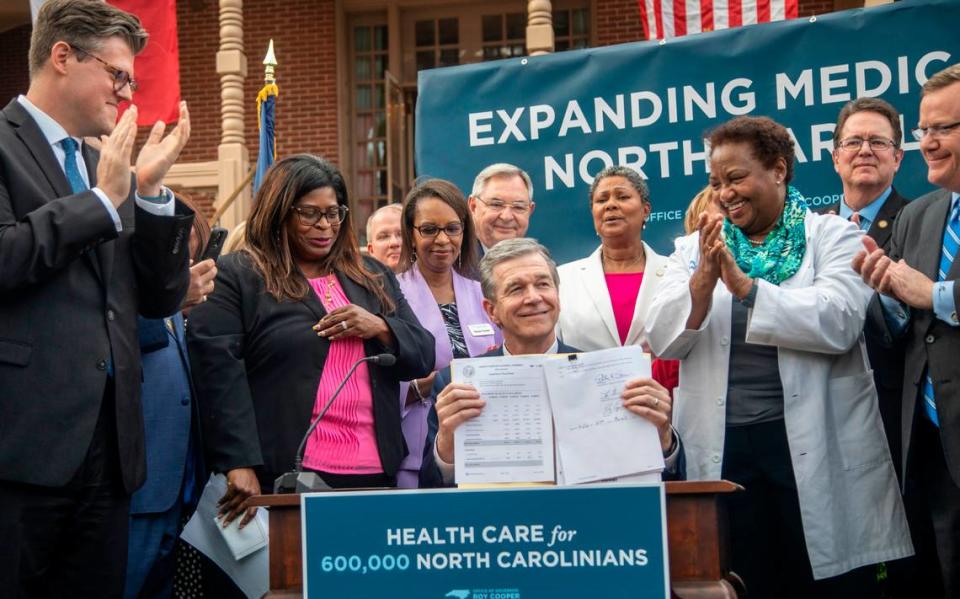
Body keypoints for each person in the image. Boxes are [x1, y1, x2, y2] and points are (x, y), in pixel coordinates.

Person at [645, 116, 912, 598]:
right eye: (714, 182)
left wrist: (746, 288)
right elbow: (663, 340)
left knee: (818, 579)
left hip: (812, 438)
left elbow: (839, 321)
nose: (724, 193)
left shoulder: (832, 237)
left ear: (779, 170)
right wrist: (702, 284)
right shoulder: (693, 249)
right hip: (725, 446)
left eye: (736, 177)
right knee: (745, 574)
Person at [0, 0, 194, 595]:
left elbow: (159, 299)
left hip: (109, 455)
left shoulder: (100, 164)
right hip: (23, 450)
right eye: (118, 75)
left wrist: (151, 193)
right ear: (62, 56)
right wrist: (103, 202)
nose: (127, 93)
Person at [187, 155, 435, 525]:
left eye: (334, 213)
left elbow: (422, 353)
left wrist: (379, 326)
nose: (325, 226)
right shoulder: (238, 276)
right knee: (293, 584)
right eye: (309, 214)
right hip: (287, 473)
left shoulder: (372, 275)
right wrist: (237, 461)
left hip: (373, 471)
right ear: (278, 212)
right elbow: (218, 374)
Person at [420, 238, 683, 487]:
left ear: (558, 296)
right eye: (516, 288)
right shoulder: (454, 384)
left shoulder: (610, 378)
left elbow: (668, 482)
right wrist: (447, 445)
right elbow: (429, 491)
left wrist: (662, 436)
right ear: (491, 310)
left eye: (543, 284)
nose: (534, 297)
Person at [853, 63, 960, 597]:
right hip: (935, 450)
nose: (929, 143)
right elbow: (907, 328)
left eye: (942, 129)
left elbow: (930, 300)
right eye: (924, 131)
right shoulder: (921, 216)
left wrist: (932, 294)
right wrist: (886, 294)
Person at [125, 195, 217, 599]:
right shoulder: (133, 293)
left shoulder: (184, 308)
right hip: (142, 491)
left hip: (184, 487)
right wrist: (171, 300)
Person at [395, 179, 500, 488]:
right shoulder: (388, 294)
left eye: (452, 229)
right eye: (429, 229)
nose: (442, 239)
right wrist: (420, 388)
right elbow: (375, 382)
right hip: (417, 453)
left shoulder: (483, 294)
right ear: (411, 236)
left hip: (486, 448)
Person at [831, 97, 912, 483]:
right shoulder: (810, 230)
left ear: (897, 158)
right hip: (826, 412)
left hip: (895, 410)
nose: (865, 150)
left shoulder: (921, 220)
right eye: (853, 141)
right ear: (836, 158)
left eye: (878, 142)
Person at [555, 166, 675, 374]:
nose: (611, 205)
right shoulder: (563, 278)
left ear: (645, 210)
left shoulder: (675, 272)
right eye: (602, 200)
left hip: (660, 399)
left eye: (622, 196)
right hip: (584, 400)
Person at [467, 163, 535, 255]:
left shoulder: (538, 264)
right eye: (496, 205)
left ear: (530, 211)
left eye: (518, 207)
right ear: (473, 206)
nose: (506, 217)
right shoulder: (452, 262)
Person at [366, 203, 403, 271]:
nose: (394, 243)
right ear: (371, 250)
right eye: (384, 237)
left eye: (401, 234)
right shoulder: (360, 281)